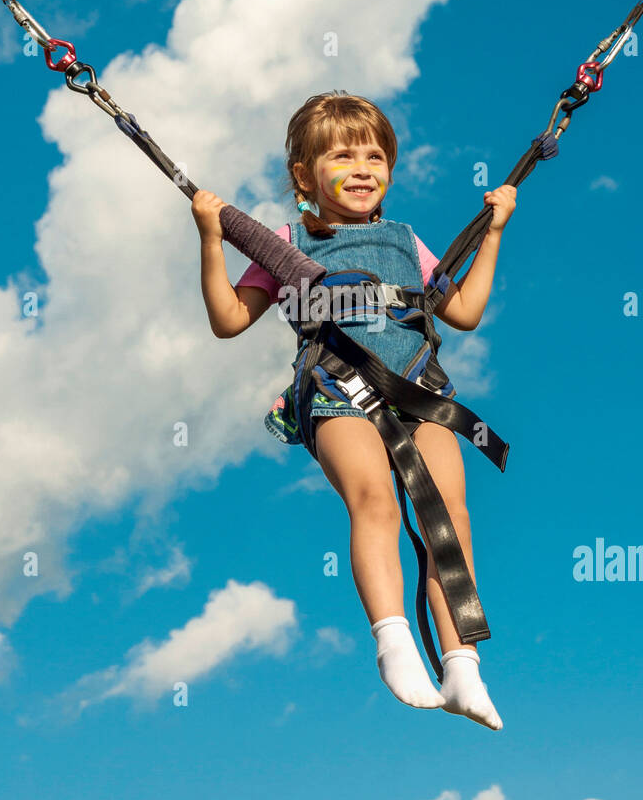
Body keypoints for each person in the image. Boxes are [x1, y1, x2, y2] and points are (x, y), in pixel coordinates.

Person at [191, 93, 516, 729]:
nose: (363, 166)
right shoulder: (282, 245)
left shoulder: (405, 242)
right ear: (304, 176)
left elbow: (466, 312)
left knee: (449, 519)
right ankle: (394, 643)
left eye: (375, 155)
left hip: (420, 388)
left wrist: (494, 233)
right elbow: (229, 320)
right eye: (343, 155)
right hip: (335, 390)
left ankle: (461, 666)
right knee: (377, 502)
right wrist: (211, 240)